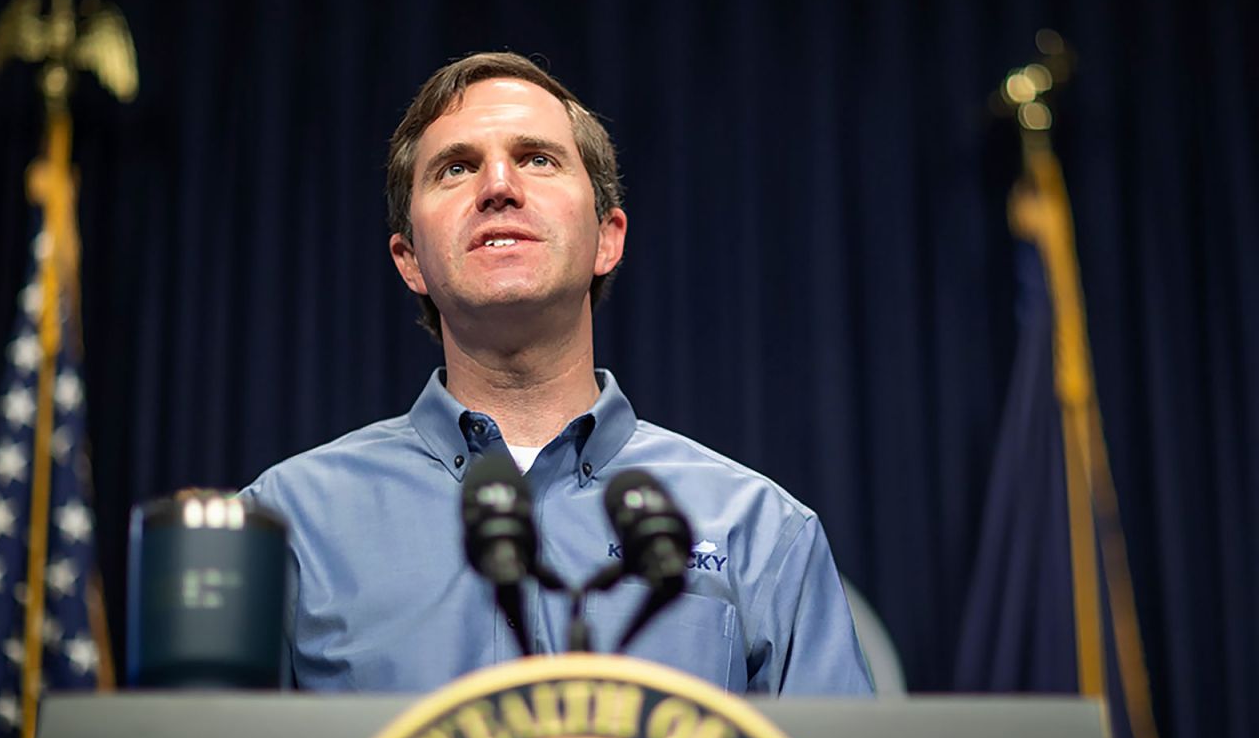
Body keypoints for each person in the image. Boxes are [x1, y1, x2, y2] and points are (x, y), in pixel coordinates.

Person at [241, 52, 872, 696]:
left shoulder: (762, 530)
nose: (498, 186)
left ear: (607, 238)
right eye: (456, 168)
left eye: (537, 159)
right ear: (410, 261)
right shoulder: (280, 527)